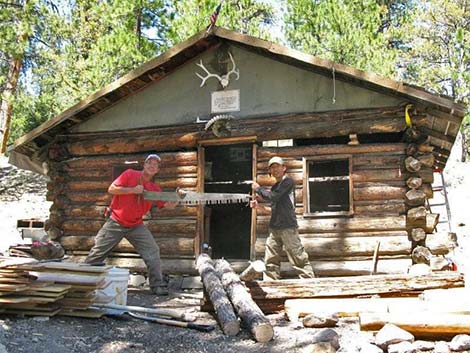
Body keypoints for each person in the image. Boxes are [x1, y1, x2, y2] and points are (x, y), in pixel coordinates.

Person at [85, 153, 178, 295]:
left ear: (157, 170)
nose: (152, 167)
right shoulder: (129, 174)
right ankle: (82, 281)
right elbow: (111, 189)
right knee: (98, 252)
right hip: (115, 221)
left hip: (136, 225)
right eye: (149, 163)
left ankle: (157, 285)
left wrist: (178, 198)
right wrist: (132, 190)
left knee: (153, 251)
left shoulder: (154, 189)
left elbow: (169, 206)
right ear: (144, 165)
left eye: (155, 165)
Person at [250, 156, 315, 280]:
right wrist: (259, 208)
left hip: (288, 227)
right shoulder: (275, 187)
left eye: (277, 166)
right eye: (272, 168)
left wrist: (258, 189)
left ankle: (309, 282)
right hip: (274, 229)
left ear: (284, 168)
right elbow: (274, 210)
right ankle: (271, 284)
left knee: (298, 257)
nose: (274, 170)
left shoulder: (288, 182)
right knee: (270, 259)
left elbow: (272, 197)